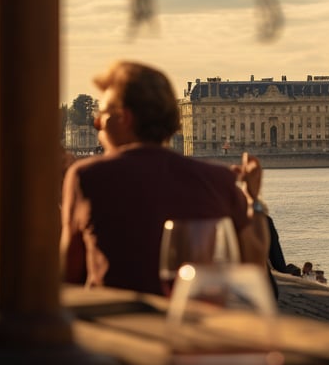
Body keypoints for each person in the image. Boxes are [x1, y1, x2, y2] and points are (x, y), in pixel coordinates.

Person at [60, 61, 268, 295]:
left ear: (124, 118)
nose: (97, 125)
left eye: (101, 117)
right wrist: (253, 199)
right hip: (194, 320)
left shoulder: (86, 177)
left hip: (117, 322)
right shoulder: (219, 179)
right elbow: (255, 263)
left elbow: (68, 274)